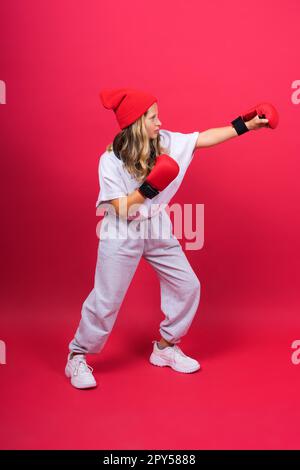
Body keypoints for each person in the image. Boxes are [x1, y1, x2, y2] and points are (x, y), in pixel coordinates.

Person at [65, 87, 275, 389]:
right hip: (120, 229)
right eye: (153, 117)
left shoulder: (163, 143)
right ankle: (77, 356)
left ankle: (164, 348)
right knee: (106, 299)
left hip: (156, 224)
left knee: (187, 285)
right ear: (138, 123)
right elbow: (120, 208)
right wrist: (149, 188)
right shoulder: (110, 161)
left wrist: (246, 126)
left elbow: (202, 139)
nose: (159, 122)